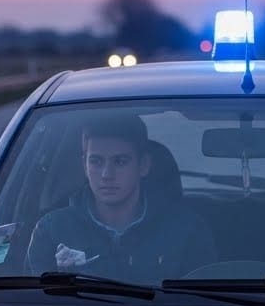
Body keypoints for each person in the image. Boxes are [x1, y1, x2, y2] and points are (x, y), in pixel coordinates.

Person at [25, 114, 216, 282]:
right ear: (84, 165)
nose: (107, 174)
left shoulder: (187, 231)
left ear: (143, 165)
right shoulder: (52, 231)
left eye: (120, 161)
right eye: (96, 161)